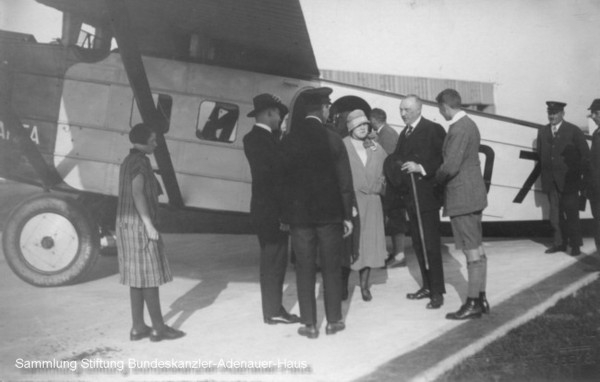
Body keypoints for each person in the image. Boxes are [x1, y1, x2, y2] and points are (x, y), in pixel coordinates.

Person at [281, 87, 354, 339]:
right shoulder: (333, 139)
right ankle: (333, 321)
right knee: (332, 267)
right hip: (330, 216)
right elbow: (345, 182)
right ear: (322, 109)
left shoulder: (289, 139)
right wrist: (347, 216)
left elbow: (282, 182)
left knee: (304, 268)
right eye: (327, 108)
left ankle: (310, 324)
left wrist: (286, 215)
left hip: (300, 218)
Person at [116, 123, 185, 341]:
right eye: (153, 140)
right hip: (139, 226)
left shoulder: (127, 161)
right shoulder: (141, 162)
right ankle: (158, 328)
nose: (156, 144)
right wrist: (149, 225)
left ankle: (138, 327)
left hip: (125, 225)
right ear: (144, 141)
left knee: (136, 279)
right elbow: (138, 194)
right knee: (150, 277)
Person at [243, 93, 301, 325]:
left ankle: (273, 309)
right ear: (268, 113)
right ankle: (274, 311)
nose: (280, 119)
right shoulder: (264, 140)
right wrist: (283, 214)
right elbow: (274, 179)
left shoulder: (254, 138)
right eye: (278, 114)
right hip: (273, 211)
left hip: (262, 209)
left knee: (272, 261)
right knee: (275, 262)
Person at [386, 95, 447, 309]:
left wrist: (420, 167)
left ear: (419, 109)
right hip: (411, 198)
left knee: (430, 244)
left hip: (426, 198)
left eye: (407, 110)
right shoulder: (405, 132)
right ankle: (427, 286)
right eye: (401, 109)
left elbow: (442, 159)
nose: (403, 114)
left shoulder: (433, 129)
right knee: (419, 246)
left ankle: (437, 292)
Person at [435, 89, 489, 320]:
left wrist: (433, 179)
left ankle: (473, 303)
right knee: (478, 247)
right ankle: (481, 298)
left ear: (446, 107)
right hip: (473, 194)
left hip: (462, 197)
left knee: (471, 249)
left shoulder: (458, 129)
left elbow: (450, 166)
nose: (441, 112)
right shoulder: (470, 124)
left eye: (440, 109)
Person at [343, 109, 388, 301]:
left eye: (365, 125)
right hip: (351, 203)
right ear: (351, 127)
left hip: (372, 202)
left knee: (368, 245)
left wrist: (380, 186)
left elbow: (387, 171)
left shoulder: (375, 148)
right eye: (358, 125)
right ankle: (342, 286)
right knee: (347, 245)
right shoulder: (342, 146)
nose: (362, 128)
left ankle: (364, 286)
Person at [537, 101, 590, 256]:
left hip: (569, 181)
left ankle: (575, 245)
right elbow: (541, 155)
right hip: (551, 181)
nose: (551, 116)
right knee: (555, 215)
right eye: (549, 113)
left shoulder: (573, 131)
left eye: (555, 113)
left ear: (562, 114)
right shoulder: (543, 131)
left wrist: (578, 178)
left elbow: (585, 155)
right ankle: (559, 243)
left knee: (572, 214)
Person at [370, 108, 408, 268]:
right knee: (393, 219)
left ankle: (399, 255)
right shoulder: (386, 132)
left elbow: (390, 161)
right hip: (392, 186)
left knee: (395, 219)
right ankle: (397, 254)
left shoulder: (386, 134)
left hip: (392, 187)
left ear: (373, 120)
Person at [585, 98, 600, 253]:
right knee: (598, 225)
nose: (593, 116)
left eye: (595, 113)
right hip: (596, 190)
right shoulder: (596, 133)